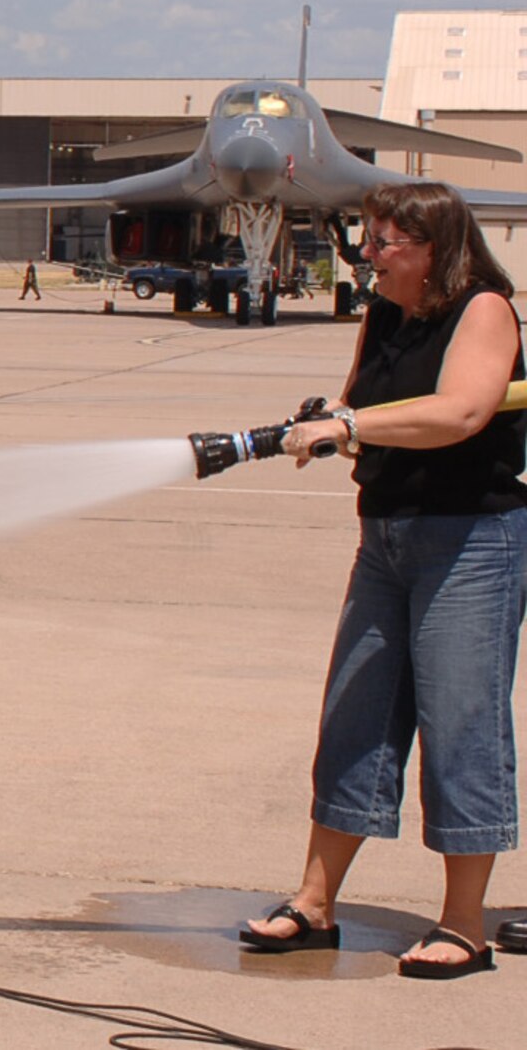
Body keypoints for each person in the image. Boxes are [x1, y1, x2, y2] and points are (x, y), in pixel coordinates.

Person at [240, 181, 524, 979]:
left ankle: (463, 926)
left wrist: (353, 425)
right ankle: (314, 904)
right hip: (387, 537)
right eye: (368, 239)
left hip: (471, 541)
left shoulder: (485, 310)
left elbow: (461, 412)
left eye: (385, 242)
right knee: (354, 717)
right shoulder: (386, 312)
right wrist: (329, 417)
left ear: (434, 248)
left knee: (462, 727)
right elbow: (360, 399)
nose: (369, 255)